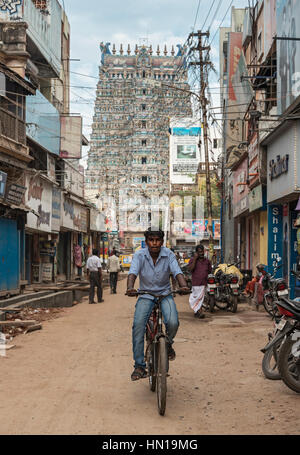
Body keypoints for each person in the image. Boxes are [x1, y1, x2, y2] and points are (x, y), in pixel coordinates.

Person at [126, 228, 190, 381]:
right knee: (138, 325)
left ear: (162, 242)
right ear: (146, 241)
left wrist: (183, 286)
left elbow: (177, 272)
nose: (154, 243)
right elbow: (133, 273)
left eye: (157, 240)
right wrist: (130, 287)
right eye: (151, 240)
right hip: (145, 295)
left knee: (173, 322)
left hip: (165, 294)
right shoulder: (140, 255)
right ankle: (139, 366)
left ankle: (168, 344)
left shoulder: (169, 254)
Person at [188, 244, 212, 319]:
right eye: (199, 252)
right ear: (196, 253)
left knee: (200, 299)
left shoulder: (207, 261)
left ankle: (199, 311)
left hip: (203, 283)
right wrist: (195, 259)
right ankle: (197, 311)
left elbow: (209, 271)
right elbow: (190, 269)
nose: (201, 253)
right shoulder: (192, 260)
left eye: (202, 252)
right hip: (195, 283)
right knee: (195, 298)